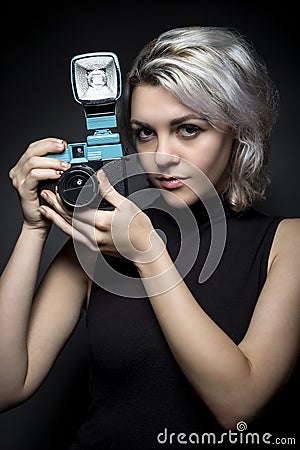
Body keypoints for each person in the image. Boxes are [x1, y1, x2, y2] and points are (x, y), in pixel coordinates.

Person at [0, 25, 299, 449]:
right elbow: (7, 386)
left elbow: (239, 408)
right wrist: (33, 228)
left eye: (189, 129)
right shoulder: (101, 239)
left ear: (239, 130)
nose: (162, 156)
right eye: (145, 132)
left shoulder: (288, 244)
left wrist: (149, 255)